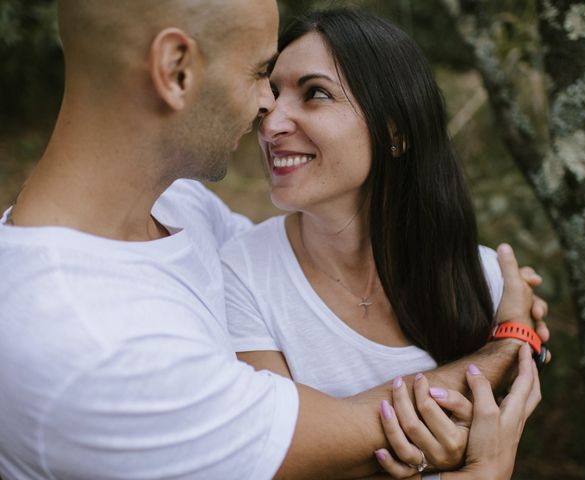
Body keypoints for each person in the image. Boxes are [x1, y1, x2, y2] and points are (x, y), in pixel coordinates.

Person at [0, 1, 545, 479]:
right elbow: (345, 442)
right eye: (261, 72)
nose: (267, 109)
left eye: (308, 93)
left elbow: (293, 261)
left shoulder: (177, 207)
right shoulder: (86, 345)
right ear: (176, 70)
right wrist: (507, 351)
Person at [220, 8, 547, 478]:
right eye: (271, 96)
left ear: (394, 130)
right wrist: (509, 346)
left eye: (315, 94)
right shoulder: (242, 276)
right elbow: (280, 456)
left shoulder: (486, 279)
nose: (270, 124)